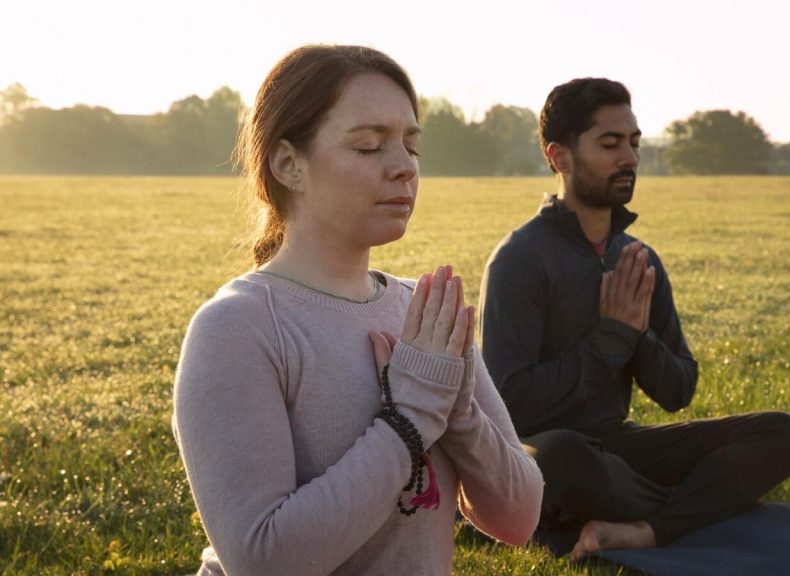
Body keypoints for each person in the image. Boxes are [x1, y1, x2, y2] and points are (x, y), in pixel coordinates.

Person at [172, 45, 542, 576]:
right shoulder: (237, 327)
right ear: (288, 164)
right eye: (369, 146)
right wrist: (412, 417)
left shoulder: (423, 314)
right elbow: (263, 561)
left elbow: (519, 519)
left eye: (411, 146)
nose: (404, 168)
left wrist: (457, 411)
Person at [478, 77, 790, 561]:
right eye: (610, 144)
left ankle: (648, 529)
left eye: (634, 143)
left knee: (778, 433)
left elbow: (678, 391)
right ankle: (694, 506)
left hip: (619, 450)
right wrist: (613, 336)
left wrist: (638, 336)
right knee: (563, 455)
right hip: (542, 455)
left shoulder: (638, 259)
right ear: (559, 156)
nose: (630, 158)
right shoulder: (520, 259)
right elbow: (509, 406)